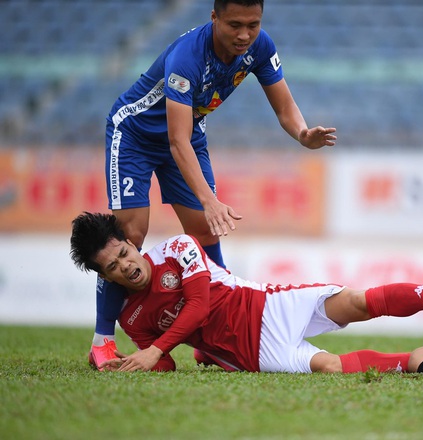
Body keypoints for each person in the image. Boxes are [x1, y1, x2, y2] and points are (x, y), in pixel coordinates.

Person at [90, 0, 337, 370]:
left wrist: (302, 134)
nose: (244, 34)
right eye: (234, 24)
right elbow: (176, 142)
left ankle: (212, 336)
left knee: (206, 231)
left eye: (253, 24)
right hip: (137, 135)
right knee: (130, 235)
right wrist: (209, 199)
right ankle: (103, 341)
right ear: (214, 18)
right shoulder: (187, 60)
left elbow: (285, 107)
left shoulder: (260, 46)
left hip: (189, 133)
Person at [70, 212, 423, 375]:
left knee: (358, 303)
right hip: (253, 354)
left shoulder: (177, 249)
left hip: (266, 302)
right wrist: (133, 363)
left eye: (123, 253)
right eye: (112, 267)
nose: (125, 265)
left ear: (130, 242)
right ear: (105, 275)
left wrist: (155, 349)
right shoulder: (130, 318)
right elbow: (163, 368)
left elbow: (199, 306)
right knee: (331, 369)